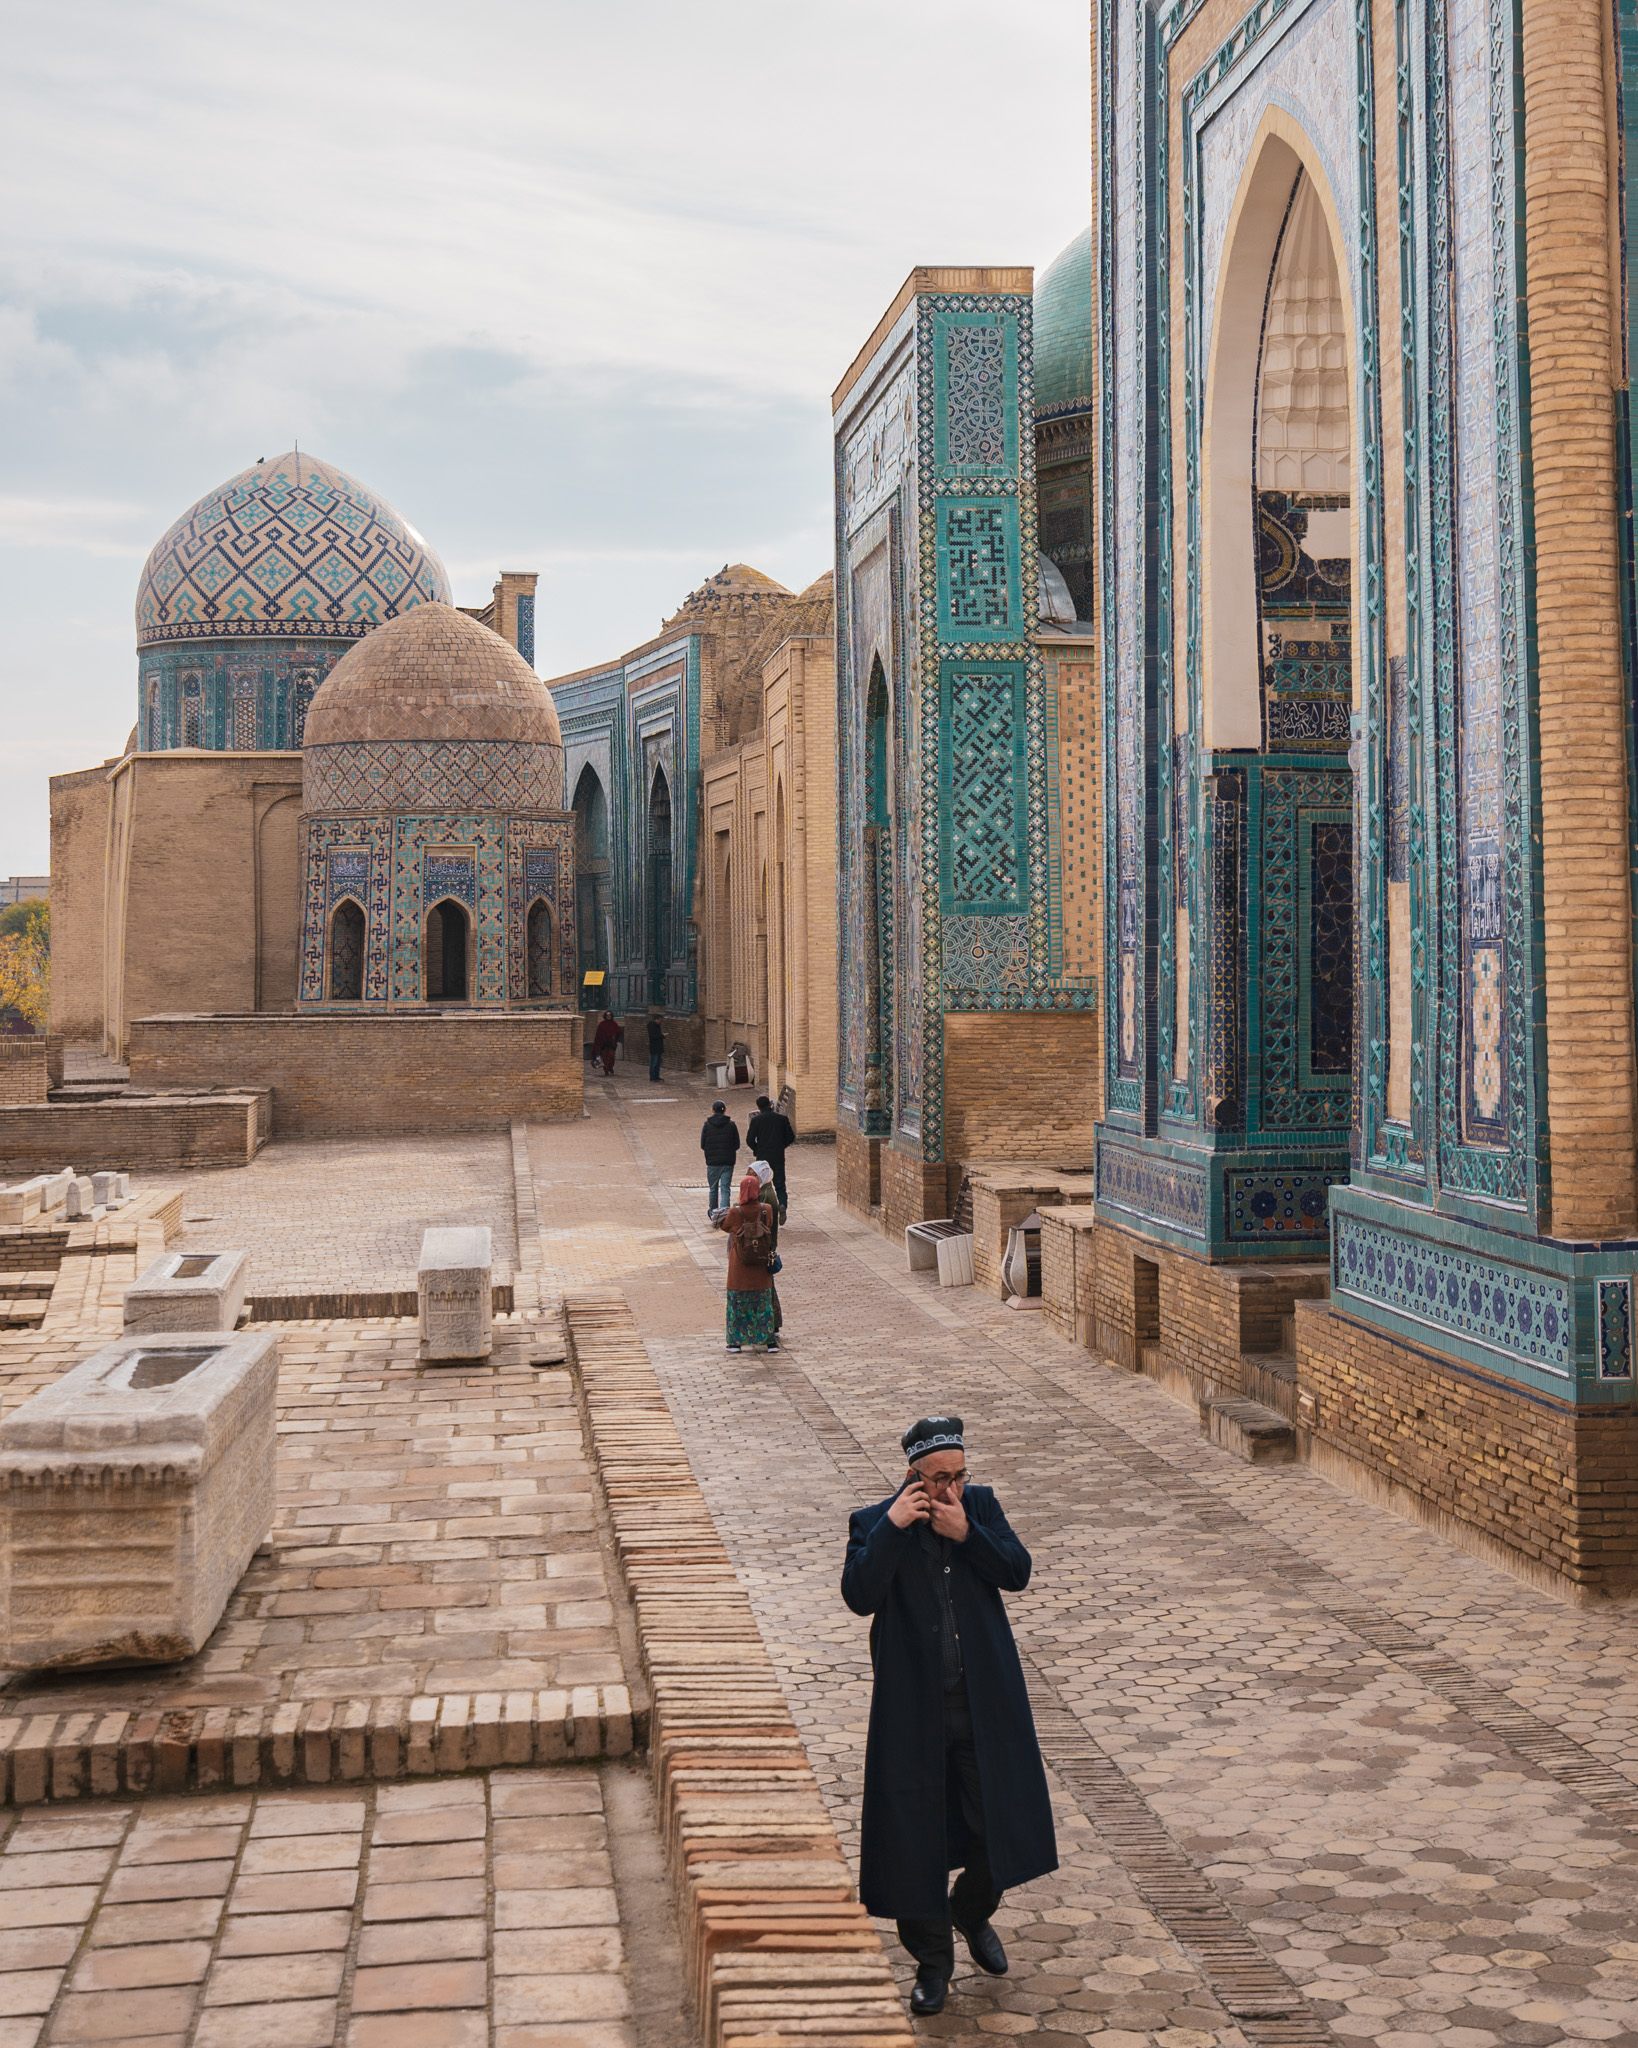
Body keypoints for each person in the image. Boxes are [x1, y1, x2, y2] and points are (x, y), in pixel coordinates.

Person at [841, 1416, 1056, 2018]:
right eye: (940, 1480)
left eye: (960, 1476)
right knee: (915, 1839)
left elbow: (1018, 1572)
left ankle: (972, 1910)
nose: (952, 1490)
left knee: (1003, 1820)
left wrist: (970, 1534)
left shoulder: (980, 1509)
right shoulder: (874, 1522)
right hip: (912, 1714)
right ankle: (933, 1965)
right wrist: (891, 1529)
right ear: (914, 1475)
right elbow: (859, 1595)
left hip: (985, 1705)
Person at [716, 1170, 779, 1352]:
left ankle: (736, 1342)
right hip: (760, 1266)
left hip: (740, 1268)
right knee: (762, 1304)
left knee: (737, 1305)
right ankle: (769, 1342)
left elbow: (725, 1227)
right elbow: (770, 1224)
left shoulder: (736, 1211)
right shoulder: (766, 1209)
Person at [746, 1094, 796, 1221]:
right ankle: (782, 1204)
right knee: (780, 1184)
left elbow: (749, 1139)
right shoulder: (782, 1119)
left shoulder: (756, 1120)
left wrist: (757, 1149)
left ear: (759, 1107)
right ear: (770, 1104)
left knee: (761, 1184)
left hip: (762, 1157)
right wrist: (781, 1146)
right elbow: (791, 1137)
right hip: (778, 1156)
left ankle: (763, 1211)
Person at [700, 1100, 740, 1216]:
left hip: (712, 1162)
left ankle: (713, 1212)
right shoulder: (732, 1125)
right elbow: (736, 1144)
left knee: (713, 1189)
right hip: (728, 1161)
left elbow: (703, 1144)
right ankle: (724, 1214)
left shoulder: (707, 1125)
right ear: (725, 1110)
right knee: (725, 1189)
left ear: (713, 1110)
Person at [592, 1010, 620, 1076]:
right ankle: (606, 1070)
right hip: (603, 1045)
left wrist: (614, 1038)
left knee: (611, 1057)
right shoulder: (602, 1024)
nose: (608, 1016)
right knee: (604, 1058)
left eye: (609, 1015)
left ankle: (610, 1067)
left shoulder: (614, 1024)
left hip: (611, 1044)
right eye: (607, 1015)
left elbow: (618, 1032)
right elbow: (598, 1035)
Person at [646, 1011, 666, 1082]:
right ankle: (652, 1077)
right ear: (656, 1019)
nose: (660, 1022)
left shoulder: (657, 1026)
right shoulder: (652, 1025)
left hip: (659, 1046)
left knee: (658, 1063)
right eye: (660, 1020)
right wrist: (662, 1035)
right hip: (654, 1047)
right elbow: (653, 1036)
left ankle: (657, 1076)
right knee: (654, 1062)